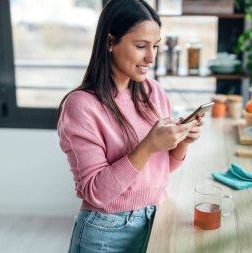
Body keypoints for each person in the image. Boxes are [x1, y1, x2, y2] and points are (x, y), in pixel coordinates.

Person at [57, 0, 204, 252]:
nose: (151, 57)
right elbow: (95, 192)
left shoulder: (154, 92)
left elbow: (161, 169)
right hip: (105, 231)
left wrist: (181, 143)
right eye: (140, 46)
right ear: (110, 42)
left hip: (156, 217)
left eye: (155, 47)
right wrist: (147, 146)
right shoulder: (81, 105)